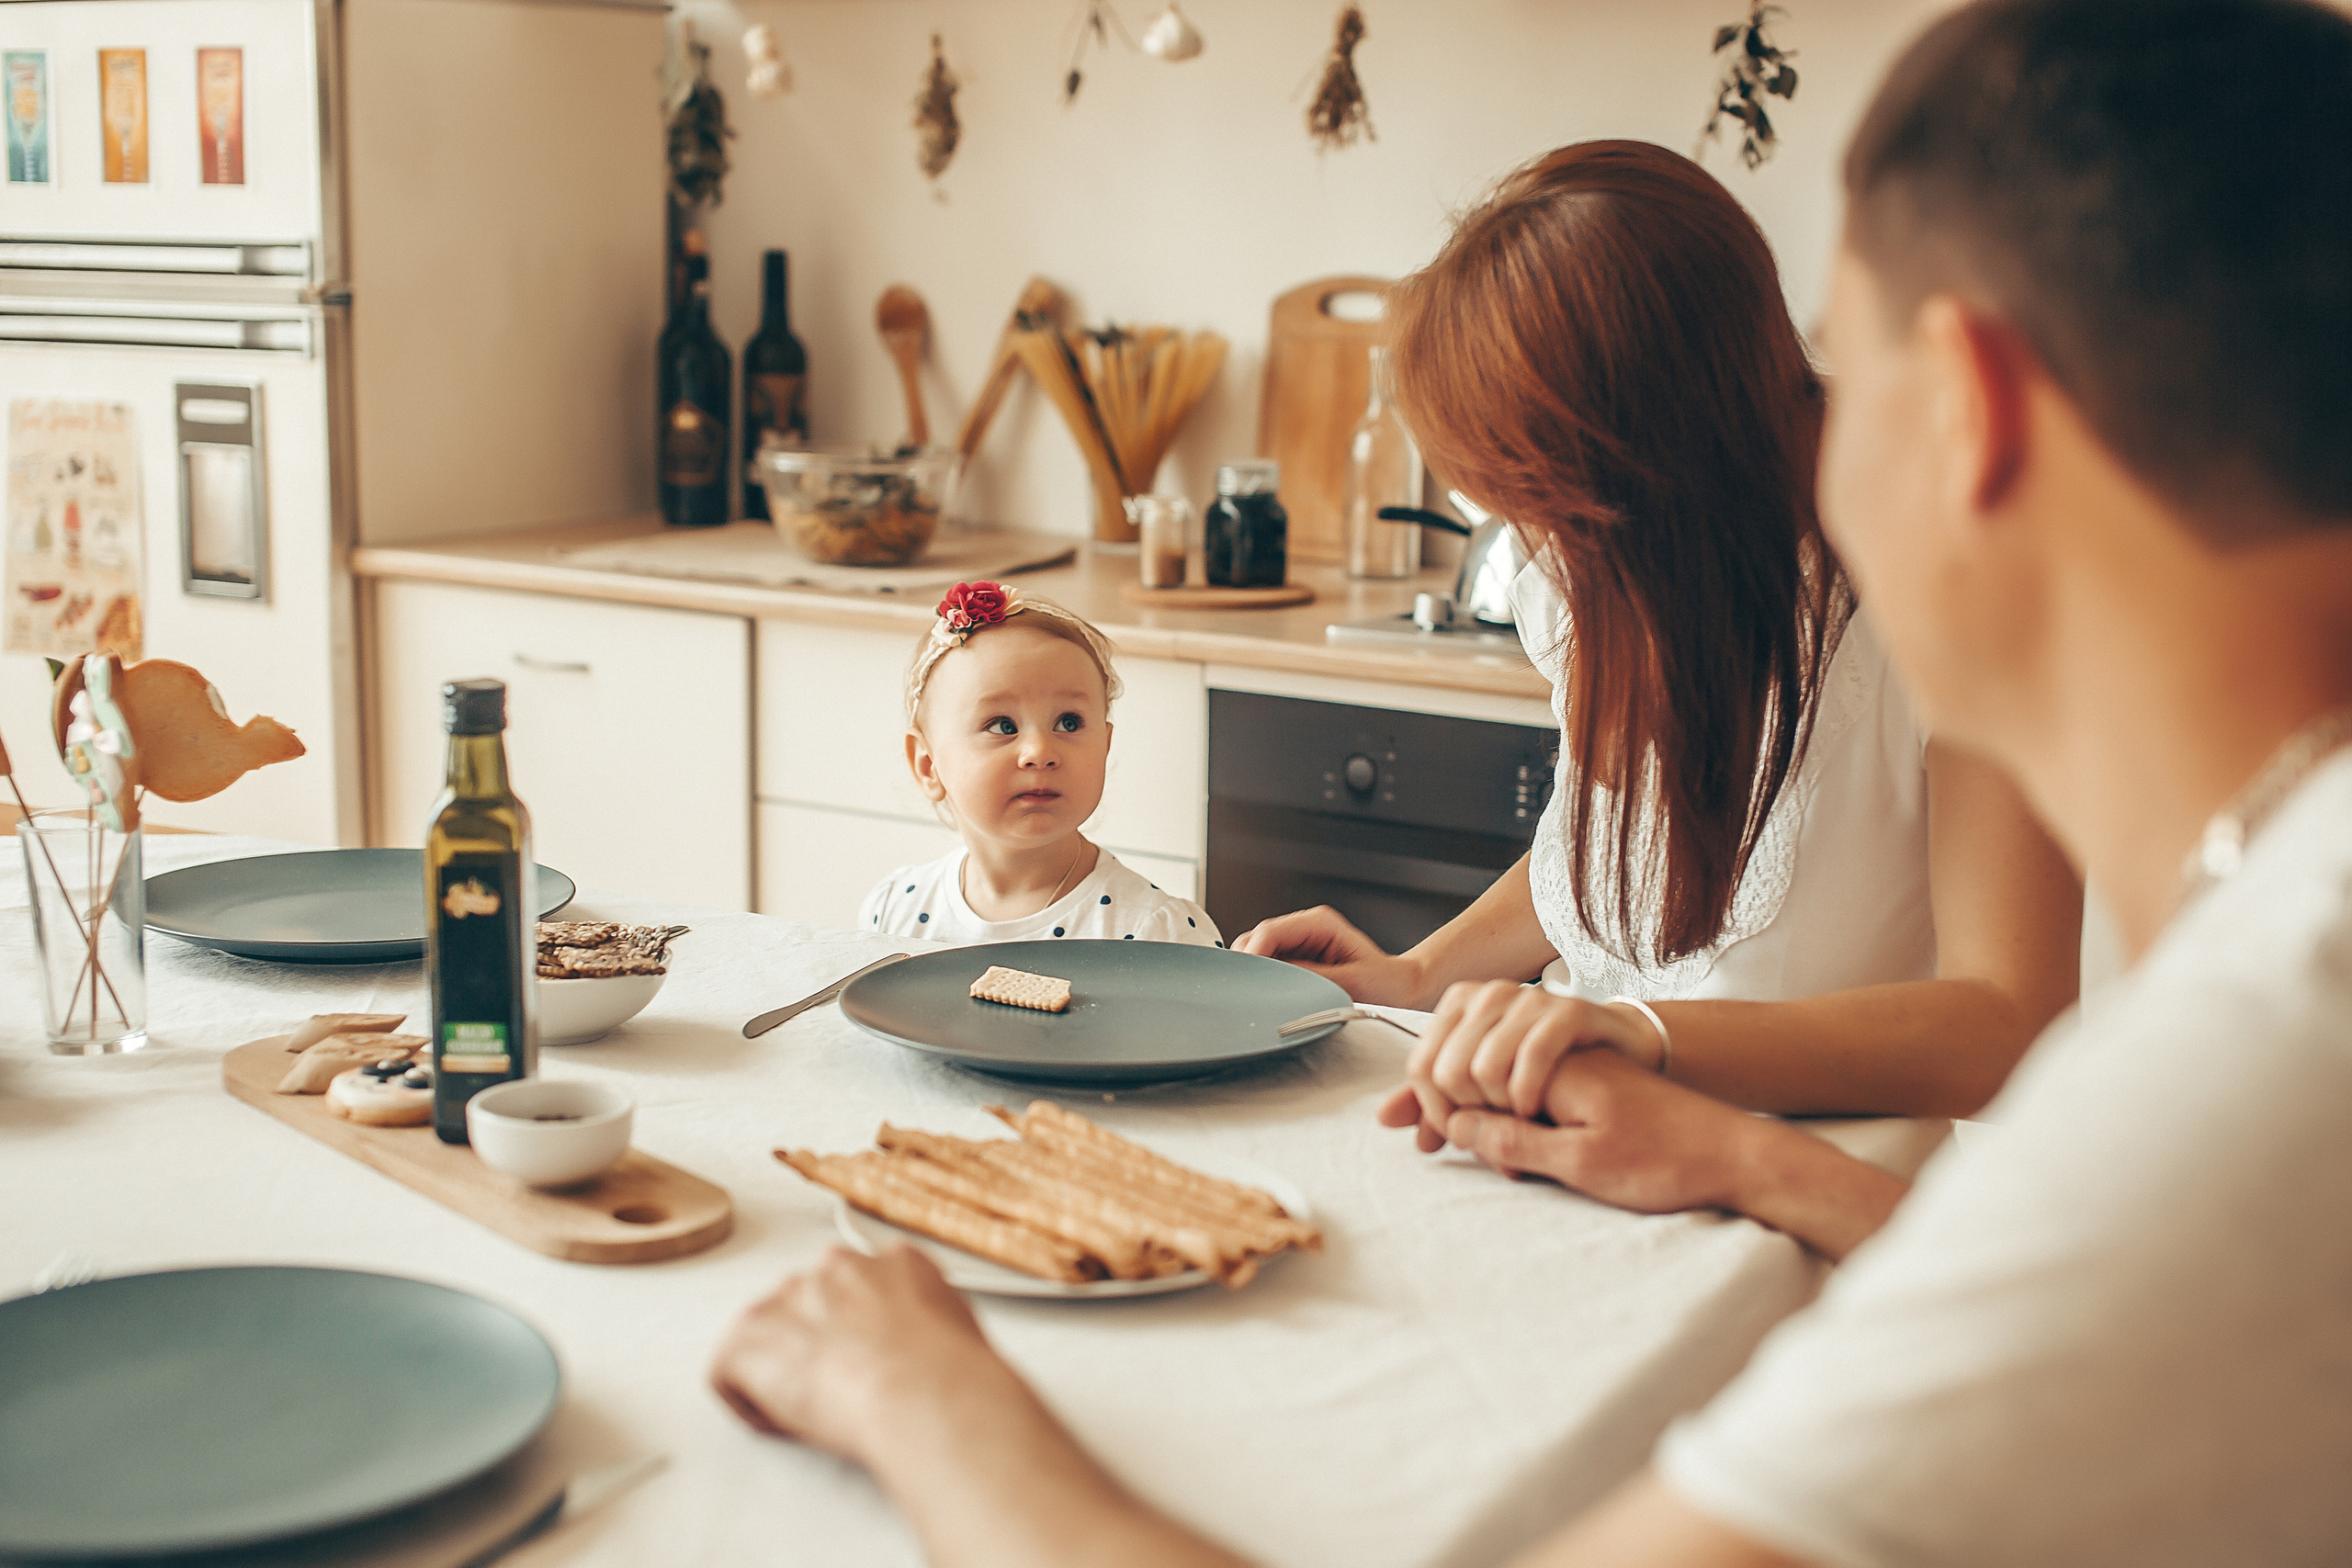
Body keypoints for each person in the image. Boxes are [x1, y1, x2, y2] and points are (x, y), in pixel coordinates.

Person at [709, 1, 2352, 1562]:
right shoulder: (2274, 919)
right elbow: (2057, 1272)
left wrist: (921, 1401)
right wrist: (1680, 1117)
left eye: (1844, 361)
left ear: (1971, 412)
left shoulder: (2253, 1050)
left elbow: (2062, 1169)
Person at [1232, 141, 2082, 1160]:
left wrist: (1647, 1039)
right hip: (1579, 1135)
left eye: (1545, 509)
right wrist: (1424, 974)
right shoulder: (1604, 565)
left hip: (1798, 1197)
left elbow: (2007, 1019)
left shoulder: (1959, 575)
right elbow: (1609, 853)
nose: (1539, 551)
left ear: (1647, 471)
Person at [862, 580, 1219, 948]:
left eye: (1069, 722)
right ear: (928, 765)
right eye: (1003, 726)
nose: (1040, 751)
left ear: (1105, 745)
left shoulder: (1159, 934)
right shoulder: (895, 911)